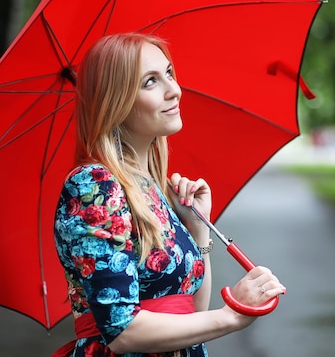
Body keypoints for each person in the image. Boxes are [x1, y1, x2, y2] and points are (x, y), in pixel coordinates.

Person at [53, 33, 285, 357]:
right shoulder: (95, 186)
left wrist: (197, 227)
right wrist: (233, 313)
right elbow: (122, 331)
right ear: (115, 101)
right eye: (150, 81)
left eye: (169, 74)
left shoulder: (150, 186)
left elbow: (189, 309)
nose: (174, 90)